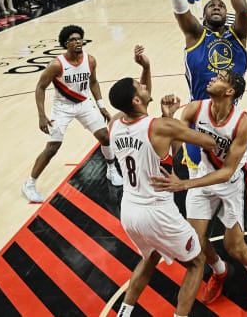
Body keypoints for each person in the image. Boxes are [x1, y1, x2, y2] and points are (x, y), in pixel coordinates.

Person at [151, 70, 247, 316]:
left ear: (230, 92)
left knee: (235, 246)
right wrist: (169, 119)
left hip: (232, 185)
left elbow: (227, 171)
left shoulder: (243, 123)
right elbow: (175, 145)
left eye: (219, 78)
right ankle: (219, 271)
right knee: (194, 242)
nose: (211, 79)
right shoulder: (195, 109)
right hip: (202, 179)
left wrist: (184, 184)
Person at [108, 46, 217, 317]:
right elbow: (210, 142)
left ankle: (125, 311)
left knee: (150, 257)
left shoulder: (114, 122)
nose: (143, 84)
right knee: (196, 262)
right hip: (157, 210)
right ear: (135, 100)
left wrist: (145, 67)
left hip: (130, 210)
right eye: (139, 85)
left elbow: (167, 149)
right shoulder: (160, 126)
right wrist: (181, 117)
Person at [168, 0, 247, 179]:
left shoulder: (238, 37)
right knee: (198, 191)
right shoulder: (195, 35)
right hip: (197, 121)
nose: (216, 6)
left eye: (221, 5)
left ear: (227, 14)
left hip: (231, 122)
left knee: (231, 185)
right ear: (203, 17)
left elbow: (244, 9)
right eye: (211, 6)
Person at [22, 25, 124, 203]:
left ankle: (111, 169)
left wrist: (101, 106)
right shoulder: (56, 64)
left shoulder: (90, 60)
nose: (78, 42)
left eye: (80, 38)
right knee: (53, 147)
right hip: (62, 108)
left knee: (105, 137)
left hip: (84, 105)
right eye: (73, 40)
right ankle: (29, 184)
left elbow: (93, 82)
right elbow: (40, 87)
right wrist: (41, 115)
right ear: (65, 44)